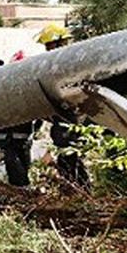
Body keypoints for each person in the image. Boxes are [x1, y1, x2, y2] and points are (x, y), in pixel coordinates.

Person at [36, 24, 90, 188]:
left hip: (71, 120)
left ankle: (81, 192)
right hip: (65, 120)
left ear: (58, 43)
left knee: (68, 157)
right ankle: (80, 192)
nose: (47, 49)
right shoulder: (56, 65)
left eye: (48, 45)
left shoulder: (68, 64)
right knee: (66, 158)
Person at [0, 52, 36, 187]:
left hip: (20, 138)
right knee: (16, 171)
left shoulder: (28, 87)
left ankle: (23, 194)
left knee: (22, 170)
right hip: (9, 139)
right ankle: (21, 192)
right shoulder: (3, 85)